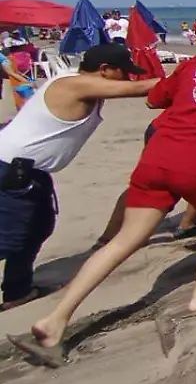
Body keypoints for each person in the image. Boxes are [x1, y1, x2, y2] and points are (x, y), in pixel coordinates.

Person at [14, 25, 196, 366]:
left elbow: (153, 99)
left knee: (123, 241)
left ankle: (55, 320)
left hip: (157, 157)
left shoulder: (192, 65)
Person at [0, 46, 154, 328]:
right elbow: (142, 89)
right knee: (9, 238)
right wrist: (195, 74)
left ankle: (18, 291)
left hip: (30, 172)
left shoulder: (82, 84)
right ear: (105, 69)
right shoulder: (75, 83)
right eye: (123, 73)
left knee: (38, 227)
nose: (126, 79)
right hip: (11, 170)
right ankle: (17, 289)